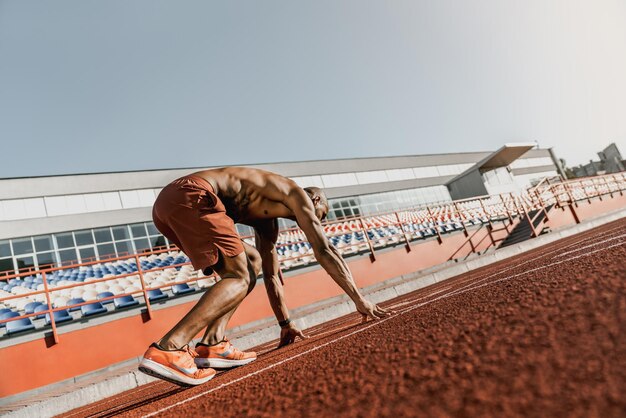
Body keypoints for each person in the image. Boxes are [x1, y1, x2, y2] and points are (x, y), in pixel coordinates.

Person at [139, 167, 390, 386]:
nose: (316, 222)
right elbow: (324, 250)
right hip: (191, 194)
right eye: (319, 215)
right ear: (314, 199)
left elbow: (270, 275)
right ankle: (169, 348)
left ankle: (213, 343)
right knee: (238, 276)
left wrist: (285, 323)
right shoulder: (295, 193)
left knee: (251, 262)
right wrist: (359, 299)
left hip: (169, 206)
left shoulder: (267, 220)